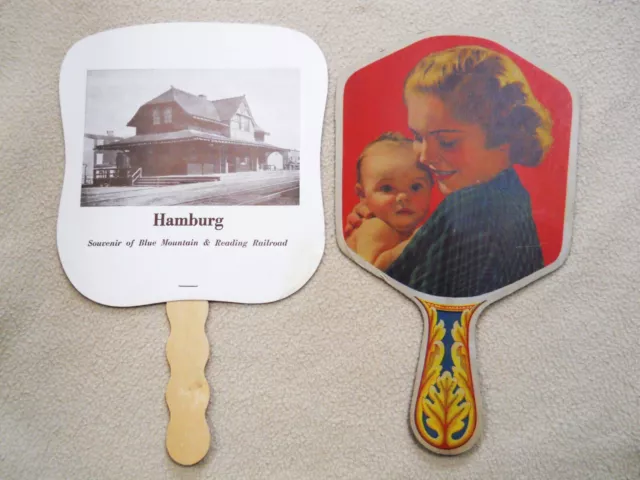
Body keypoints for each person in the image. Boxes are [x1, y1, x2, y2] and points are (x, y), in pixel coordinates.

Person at [345, 46, 553, 297]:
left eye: (447, 142)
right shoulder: (509, 194)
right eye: (417, 136)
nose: (424, 157)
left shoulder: (472, 209)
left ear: (502, 137)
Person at [346, 133, 433, 270]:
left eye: (416, 187)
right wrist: (415, 242)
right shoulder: (376, 227)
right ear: (362, 195)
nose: (404, 197)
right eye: (386, 188)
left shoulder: (399, 230)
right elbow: (372, 273)